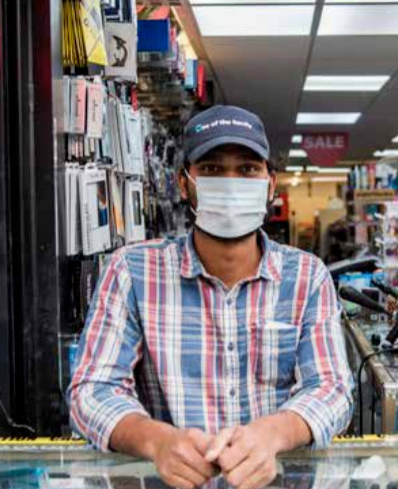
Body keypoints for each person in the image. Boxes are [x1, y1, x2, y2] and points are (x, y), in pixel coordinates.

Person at [68, 105, 354, 489]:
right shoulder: (132, 272)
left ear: (271, 183)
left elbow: (332, 389)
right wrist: (158, 441)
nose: (232, 181)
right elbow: (92, 390)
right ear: (183, 183)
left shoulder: (306, 277)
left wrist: (273, 434)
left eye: (248, 169)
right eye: (213, 169)